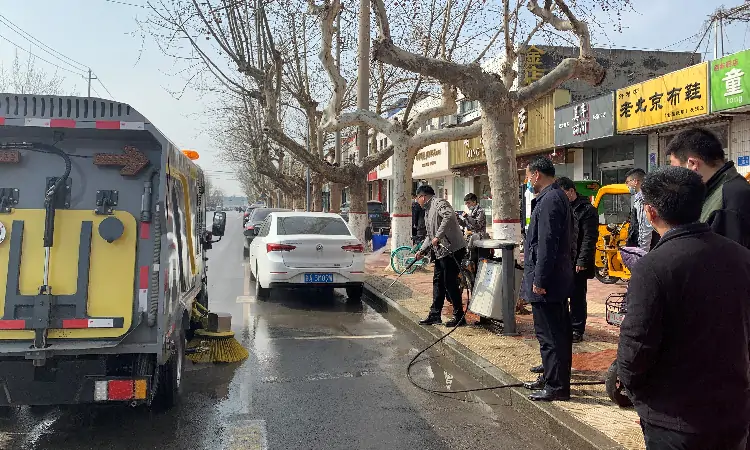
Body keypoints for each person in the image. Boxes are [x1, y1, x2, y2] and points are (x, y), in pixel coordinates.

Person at [617, 166, 750, 450]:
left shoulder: (652, 267)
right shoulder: (742, 257)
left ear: (650, 212)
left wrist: (635, 393)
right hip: (733, 410)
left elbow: (635, 348)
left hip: (675, 419)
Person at [520, 157, 574, 402]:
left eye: (528, 176)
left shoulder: (551, 199)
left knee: (551, 337)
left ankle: (556, 387)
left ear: (537, 175)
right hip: (554, 278)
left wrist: (539, 280)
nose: (527, 181)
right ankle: (550, 377)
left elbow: (547, 244)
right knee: (554, 334)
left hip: (548, 282)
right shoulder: (553, 197)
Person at [666, 127, 750, 249]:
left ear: (693, 164)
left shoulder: (732, 196)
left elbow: (733, 256)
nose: (674, 176)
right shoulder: (709, 190)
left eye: (675, 169)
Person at [413, 185, 467, 328]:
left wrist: (438, 236)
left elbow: (449, 216)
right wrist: (422, 250)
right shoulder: (427, 210)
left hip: (452, 249)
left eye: (417, 198)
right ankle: (435, 315)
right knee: (438, 282)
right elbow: (430, 236)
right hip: (440, 252)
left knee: (450, 282)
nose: (417, 201)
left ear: (423, 196)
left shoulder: (439, 203)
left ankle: (459, 316)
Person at [557, 177, 598, 343]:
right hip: (564, 259)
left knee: (577, 296)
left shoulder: (587, 210)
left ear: (571, 191)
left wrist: (582, 260)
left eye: (563, 193)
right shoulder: (563, 208)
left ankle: (577, 329)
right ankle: (565, 325)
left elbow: (589, 238)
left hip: (578, 260)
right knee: (562, 294)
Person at [624, 168, 658, 251]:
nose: (627, 185)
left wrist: (642, 252)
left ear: (635, 181)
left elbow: (644, 229)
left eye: (627, 182)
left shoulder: (642, 199)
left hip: (647, 248)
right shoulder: (651, 195)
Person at [457, 193, 490, 261]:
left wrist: (467, 217)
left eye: (468, 203)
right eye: (466, 203)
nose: (467, 205)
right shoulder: (471, 212)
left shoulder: (480, 211)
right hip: (471, 238)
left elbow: (477, 225)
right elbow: (465, 224)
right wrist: (458, 218)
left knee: (477, 259)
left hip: (479, 238)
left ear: (474, 202)